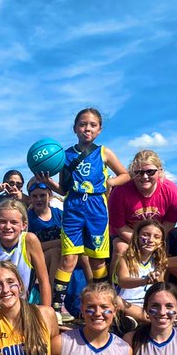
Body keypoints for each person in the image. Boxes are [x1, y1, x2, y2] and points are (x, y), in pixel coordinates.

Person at [44, 108, 129, 318]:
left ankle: (103, 302)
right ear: (75, 128)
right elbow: (64, 190)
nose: (87, 128)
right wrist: (49, 183)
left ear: (99, 129)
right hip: (73, 208)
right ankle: (57, 307)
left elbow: (125, 175)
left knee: (97, 260)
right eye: (82, 124)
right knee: (68, 259)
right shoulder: (64, 155)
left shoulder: (104, 152)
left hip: (97, 208)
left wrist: (110, 181)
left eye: (92, 125)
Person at [113, 221, 177, 326]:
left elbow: (161, 289)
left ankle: (144, 321)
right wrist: (144, 281)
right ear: (136, 237)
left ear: (160, 243)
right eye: (145, 235)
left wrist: (158, 282)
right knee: (116, 300)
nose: (150, 240)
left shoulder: (159, 262)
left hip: (153, 306)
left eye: (156, 237)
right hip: (129, 305)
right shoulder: (125, 259)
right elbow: (123, 282)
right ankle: (169, 322)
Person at [108, 150, 177, 258]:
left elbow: (170, 222)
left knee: (164, 252)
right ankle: (116, 275)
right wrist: (141, 242)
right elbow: (120, 227)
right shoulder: (120, 192)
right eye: (138, 172)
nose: (144, 176)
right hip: (127, 234)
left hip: (158, 234)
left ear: (159, 171)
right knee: (121, 248)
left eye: (150, 172)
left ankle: (161, 274)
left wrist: (154, 240)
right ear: (132, 172)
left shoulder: (171, 190)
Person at [0, 199, 51, 309]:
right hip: (0, 301)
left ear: (23, 225)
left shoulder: (29, 240)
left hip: (25, 301)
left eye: (14, 222)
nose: (8, 227)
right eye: (3, 222)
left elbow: (43, 280)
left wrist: (47, 312)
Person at [26, 179, 63, 281]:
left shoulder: (59, 214)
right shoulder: (27, 218)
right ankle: (52, 294)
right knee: (55, 252)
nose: (39, 199)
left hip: (60, 256)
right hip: (36, 259)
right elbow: (28, 247)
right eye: (34, 196)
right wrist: (58, 242)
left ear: (49, 195)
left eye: (42, 195)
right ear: (30, 197)